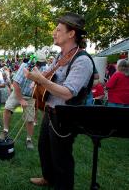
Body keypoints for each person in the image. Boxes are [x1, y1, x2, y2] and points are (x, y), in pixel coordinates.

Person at [24, 12, 94, 189]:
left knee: (61, 157)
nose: (54, 33)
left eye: (58, 30)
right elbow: (50, 79)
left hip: (64, 116)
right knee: (44, 148)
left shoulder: (83, 60)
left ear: (71, 34)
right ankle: (48, 178)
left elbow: (68, 93)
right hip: (50, 111)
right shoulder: (60, 56)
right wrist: (37, 76)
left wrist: (40, 79)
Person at [0, 59, 36, 149]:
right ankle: (5, 131)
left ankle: (29, 139)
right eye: (37, 64)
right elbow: (15, 83)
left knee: (30, 119)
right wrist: (21, 99)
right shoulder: (24, 66)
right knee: (7, 108)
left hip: (30, 96)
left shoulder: (45, 68)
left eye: (41, 64)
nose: (39, 66)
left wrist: (37, 83)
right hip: (18, 92)